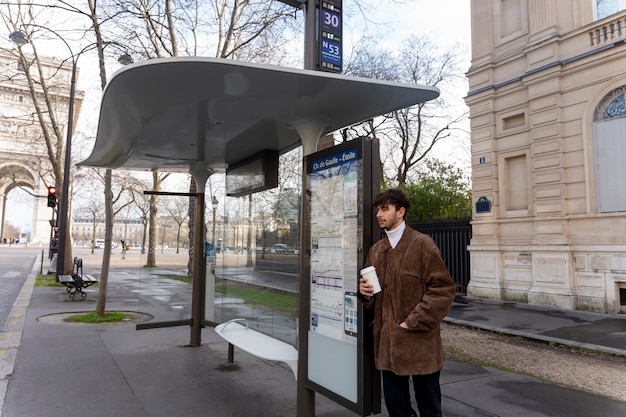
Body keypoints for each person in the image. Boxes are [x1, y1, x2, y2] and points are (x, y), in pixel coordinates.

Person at [359, 188, 456, 417]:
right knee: (396, 406)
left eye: (385, 209)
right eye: (378, 209)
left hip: (420, 343)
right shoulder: (376, 251)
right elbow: (373, 300)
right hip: (389, 346)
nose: (379, 214)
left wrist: (412, 321)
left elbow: (443, 290)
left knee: (429, 407)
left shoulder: (423, 245)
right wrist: (365, 294)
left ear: (400, 212)